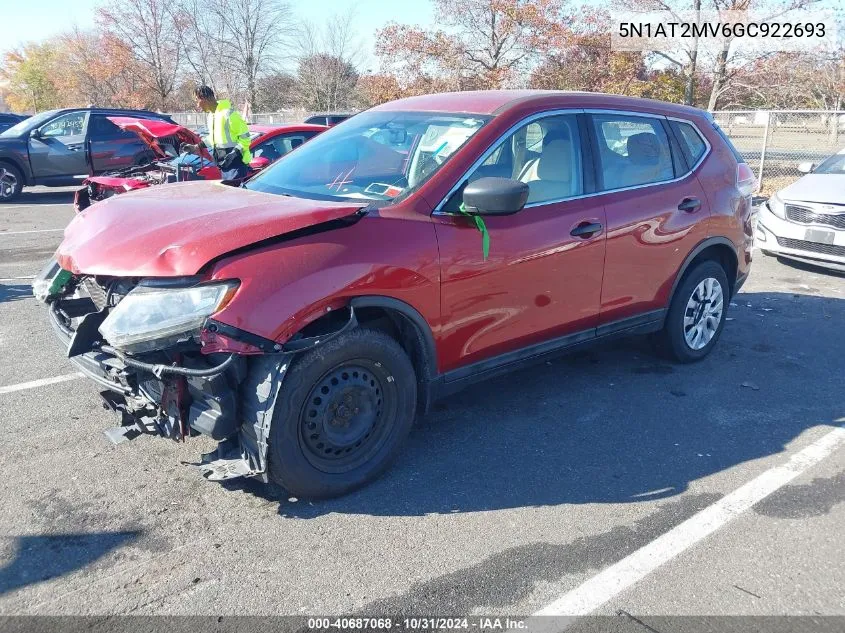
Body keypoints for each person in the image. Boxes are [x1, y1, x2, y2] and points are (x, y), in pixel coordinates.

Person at [181, 85, 252, 180]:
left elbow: (246, 138)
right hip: (224, 167)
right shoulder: (212, 116)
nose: (198, 105)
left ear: (205, 98)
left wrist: (234, 153)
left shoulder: (228, 114)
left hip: (236, 167)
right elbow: (213, 138)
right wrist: (196, 147)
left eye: (197, 101)